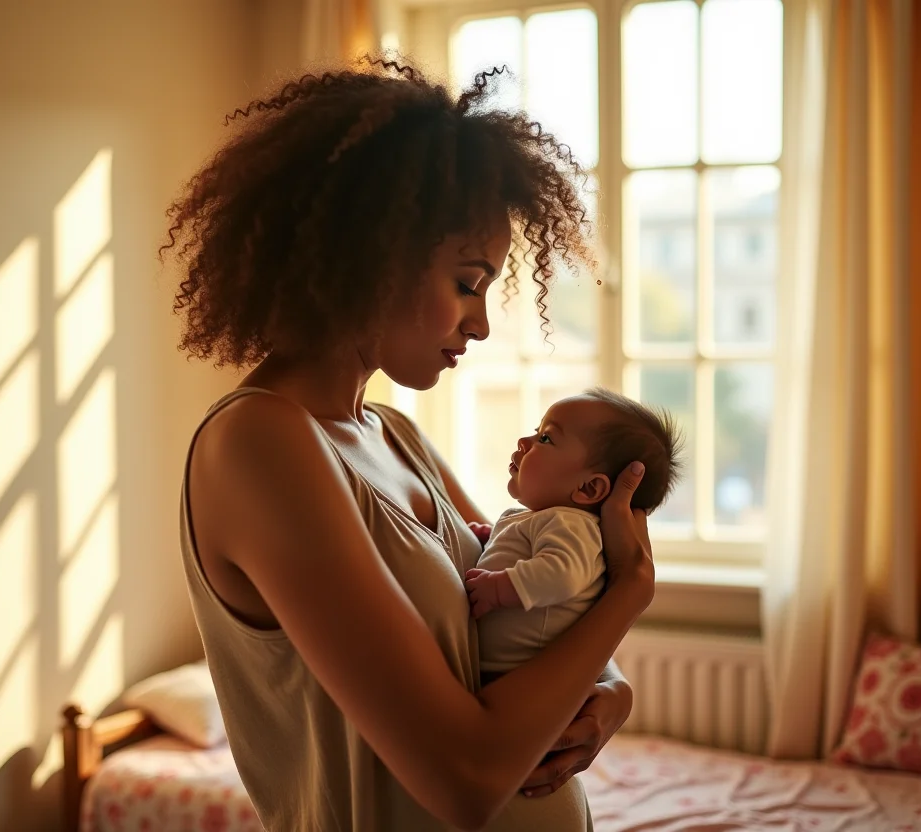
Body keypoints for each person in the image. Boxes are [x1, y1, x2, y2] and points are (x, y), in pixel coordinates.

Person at [163, 58, 656, 831]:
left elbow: (532, 620)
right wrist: (629, 595)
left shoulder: (395, 434)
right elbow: (463, 780)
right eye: (467, 282)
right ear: (370, 256)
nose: (482, 322)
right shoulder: (259, 444)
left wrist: (613, 694)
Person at [464, 388, 683, 687]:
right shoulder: (548, 520)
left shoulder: (571, 524)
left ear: (589, 489)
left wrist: (501, 588)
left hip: (518, 678)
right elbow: (531, 553)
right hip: (505, 672)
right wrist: (492, 539)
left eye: (546, 439)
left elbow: (563, 573)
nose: (524, 442)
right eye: (536, 431)